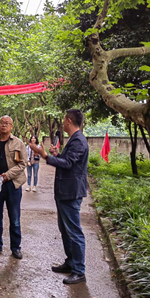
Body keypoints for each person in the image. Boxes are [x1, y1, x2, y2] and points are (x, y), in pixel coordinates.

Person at [32, 109, 89, 285]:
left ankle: (79, 271)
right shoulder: (74, 140)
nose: (63, 123)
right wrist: (58, 155)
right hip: (64, 192)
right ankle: (71, 262)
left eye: (64, 120)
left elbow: (68, 164)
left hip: (71, 193)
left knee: (74, 232)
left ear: (69, 120)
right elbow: (68, 160)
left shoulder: (78, 140)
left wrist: (45, 156)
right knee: (65, 230)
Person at [0, 115, 27, 259]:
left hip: (12, 185)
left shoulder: (18, 143)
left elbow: (22, 163)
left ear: (11, 127)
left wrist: (7, 176)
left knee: (14, 218)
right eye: (2, 122)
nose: (4, 125)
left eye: (7, 123)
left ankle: (16, 247)